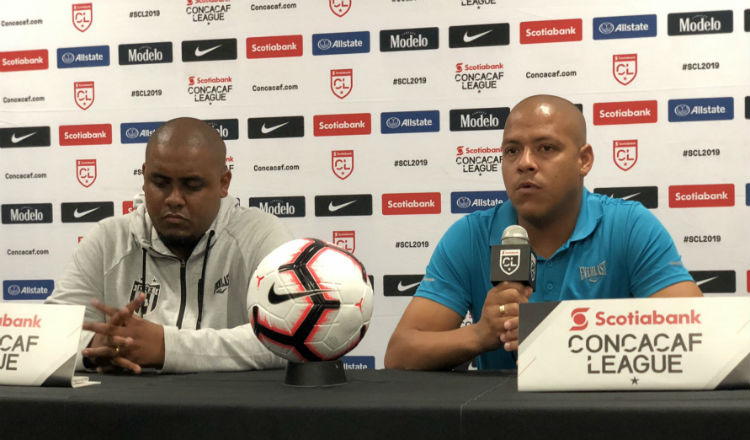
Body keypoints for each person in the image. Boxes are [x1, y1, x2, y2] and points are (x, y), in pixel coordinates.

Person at [384, 95, 703, 371]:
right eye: (511, 151)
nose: (524, 163)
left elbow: (695, 335)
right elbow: (400, 354)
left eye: (546, 148)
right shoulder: (470, 236)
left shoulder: (629, 226)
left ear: (584, 160)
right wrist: (481, 334)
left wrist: (561, 334)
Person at [46, 117, 291, 373]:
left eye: (192, 185)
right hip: (126, 411)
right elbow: (45, 338)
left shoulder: (261, 236)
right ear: (144, 178)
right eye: (160, 183)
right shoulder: (108, 240)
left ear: (223, 183)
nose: (174, 199)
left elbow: (292, 338)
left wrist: (167, 347)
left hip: (233, 409)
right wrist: (98, 347)